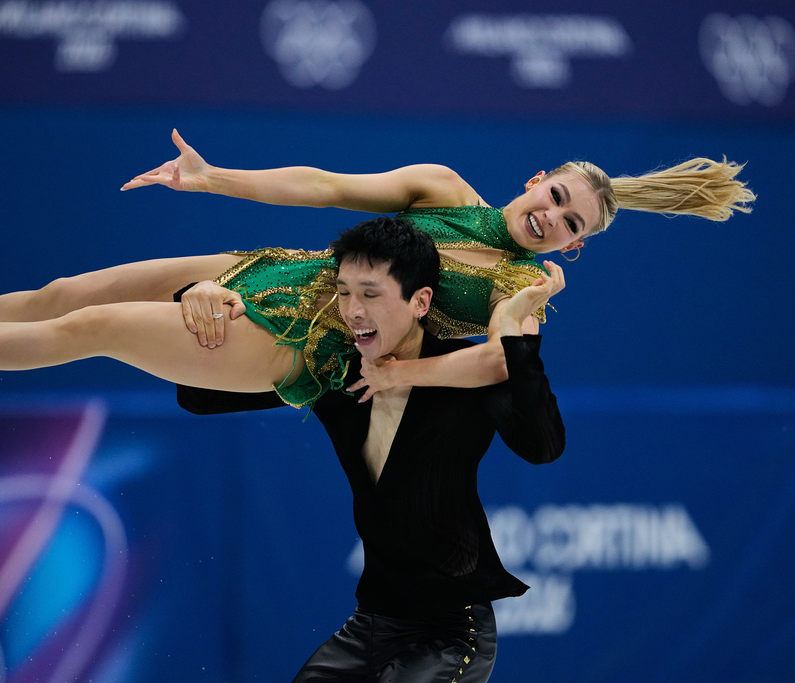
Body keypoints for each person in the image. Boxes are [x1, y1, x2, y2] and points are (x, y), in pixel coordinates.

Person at [0, 131, 754, 404]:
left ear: (574, 246)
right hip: (272, 270)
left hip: (297, 342)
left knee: (88, 334)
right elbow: (328, 186)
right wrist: (216, 179)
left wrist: (486, 336)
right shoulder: (442, 184)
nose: (548, 220)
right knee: (66, 293)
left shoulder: (522, 290)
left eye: (567, 226)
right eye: (555, 199)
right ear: (538, 177)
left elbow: (488, 368)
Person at [180, 216, 566, 682]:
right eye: (343, 292)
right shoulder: (335, 372)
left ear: (420, 301)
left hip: (451, 634)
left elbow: (543, 446)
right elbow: (198, 398)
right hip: (369, 626)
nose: (352, 310)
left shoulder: (464, 375)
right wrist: (198, 300)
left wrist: (515, 336)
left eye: (370, 293)